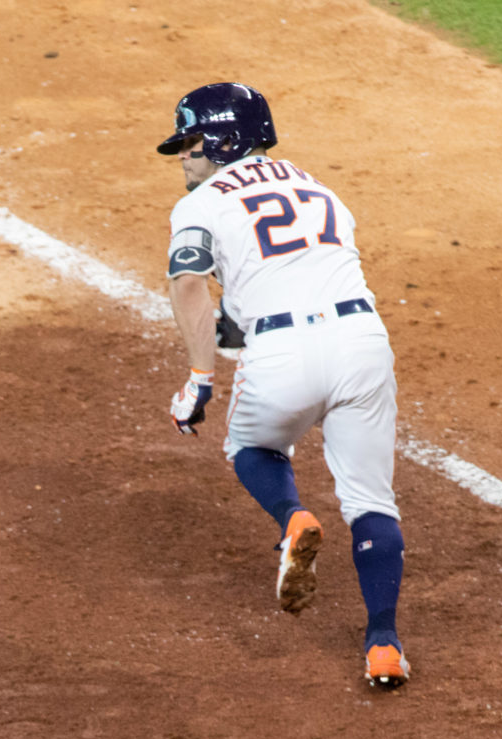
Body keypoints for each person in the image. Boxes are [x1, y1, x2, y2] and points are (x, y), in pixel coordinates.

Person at [158, 82, 409, 686]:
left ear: (224, 140)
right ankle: (384, 645)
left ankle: (293, 518)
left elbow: (188, 285)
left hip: (281, 355)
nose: (184, 156)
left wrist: (198, 377)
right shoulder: (319, 187)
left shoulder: (201, 204)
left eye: (192, 141)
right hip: (363, 343)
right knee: (372, 502)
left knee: (251, 448)